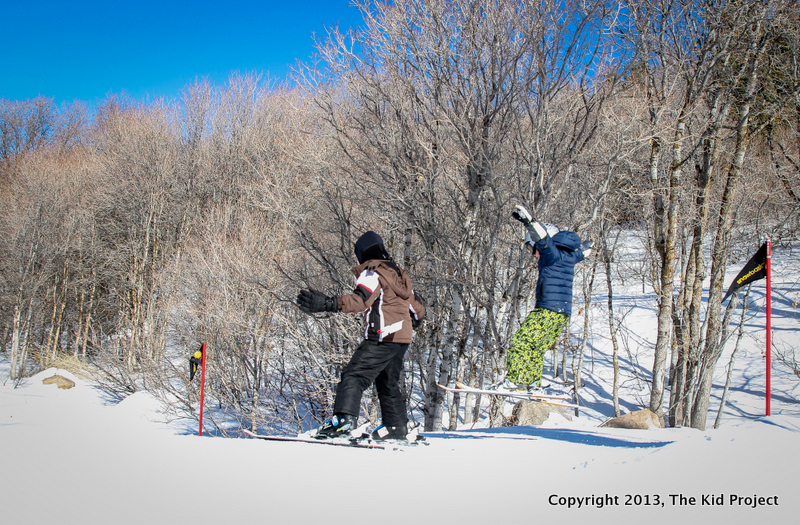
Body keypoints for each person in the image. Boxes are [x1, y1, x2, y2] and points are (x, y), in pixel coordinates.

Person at [296, 231, 426, 441]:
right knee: (387, 383)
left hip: (382, 336)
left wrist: (328, 303)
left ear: (362, 254)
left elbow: (360, 301)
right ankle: (396, 428)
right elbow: (417, 307)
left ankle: (344, 422)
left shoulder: (372, 272)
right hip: (401, 340)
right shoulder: (400, 275)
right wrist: (417, 318)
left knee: (354, 376)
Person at [504, 205, 592, 392]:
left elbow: (543, 239)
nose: (533, 254)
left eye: (531, 248)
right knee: (536, 347)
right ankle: (532, 383)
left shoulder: (550, 254)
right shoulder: (566, 257)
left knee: (521, 342)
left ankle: (514, 380)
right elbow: (579, 254)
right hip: (562, 313)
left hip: (548, 309)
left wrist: (529, 222)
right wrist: (584, 249)